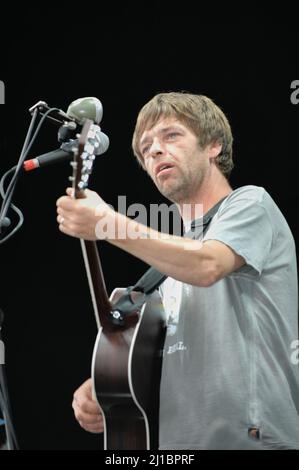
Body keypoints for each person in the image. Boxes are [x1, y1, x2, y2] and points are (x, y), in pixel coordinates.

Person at [56, 92, 299, 450]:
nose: (154, 150)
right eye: (146, 146)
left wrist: (108, 224)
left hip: (249, 440)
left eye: (171, 135)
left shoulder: (251, 204)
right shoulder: (166, 277)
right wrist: (107, 385)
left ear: (213, 145)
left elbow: (207, 263)